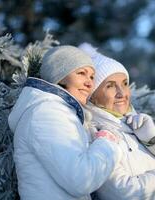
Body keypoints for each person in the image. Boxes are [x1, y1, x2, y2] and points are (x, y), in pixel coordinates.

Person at [79, 43, 155, 200]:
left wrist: (154, 139)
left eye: (124, 83)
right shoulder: (97, 136)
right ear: (92, 96)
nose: (122, 93)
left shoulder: (139, 124)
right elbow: (124, 195)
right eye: (110, 86)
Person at [8, 45, 122, 200]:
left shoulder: (58, 111)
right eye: (82, 73)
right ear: (59, 76)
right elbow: (81, 179)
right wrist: (107, 142)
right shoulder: (47, 112)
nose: (89, 83)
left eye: (92, 77)